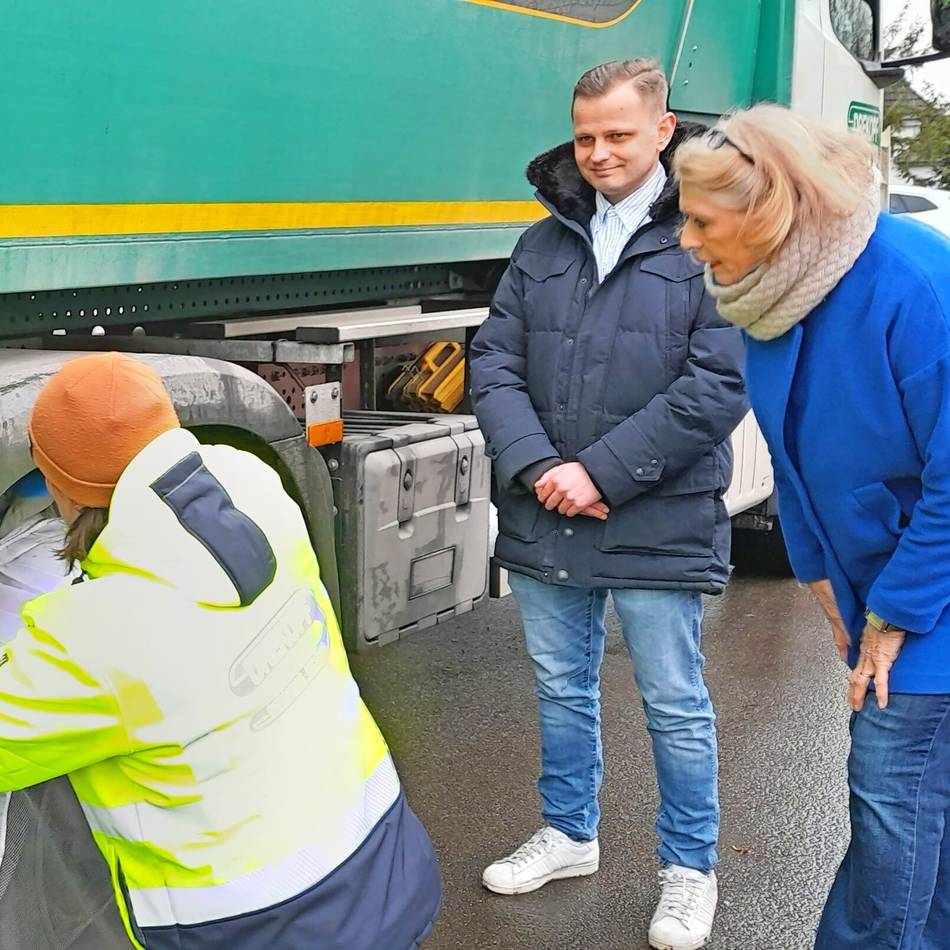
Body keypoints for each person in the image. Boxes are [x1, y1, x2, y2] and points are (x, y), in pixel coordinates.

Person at [0, 352, 441, 950]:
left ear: (55, 486)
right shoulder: (255, 488)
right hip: (385, 867)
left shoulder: (90, 638)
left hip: (262, 928)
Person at [470, 59, 747, 950]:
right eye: (585, 135)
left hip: (654, 511)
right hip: (549, 503)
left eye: (619, 135)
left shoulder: (710, 236)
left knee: (673, 698)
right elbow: (493, 361)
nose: (597, 152)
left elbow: (719, 383)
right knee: (560, 684)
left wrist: (600, 473)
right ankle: (569, 833)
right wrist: (540, 464)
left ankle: (688, 870)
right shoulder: (542, 242)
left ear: (662, 132)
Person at [675, 103, 950, 949]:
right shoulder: (773, 292)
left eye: (699, 221)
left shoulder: (914, 286)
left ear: (768, 213)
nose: (687, 242)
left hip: (931, 588)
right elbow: (793, 454)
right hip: (888, 578)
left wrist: (896, 610)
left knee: (891, 804)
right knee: (916, 818)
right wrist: (818, 570)